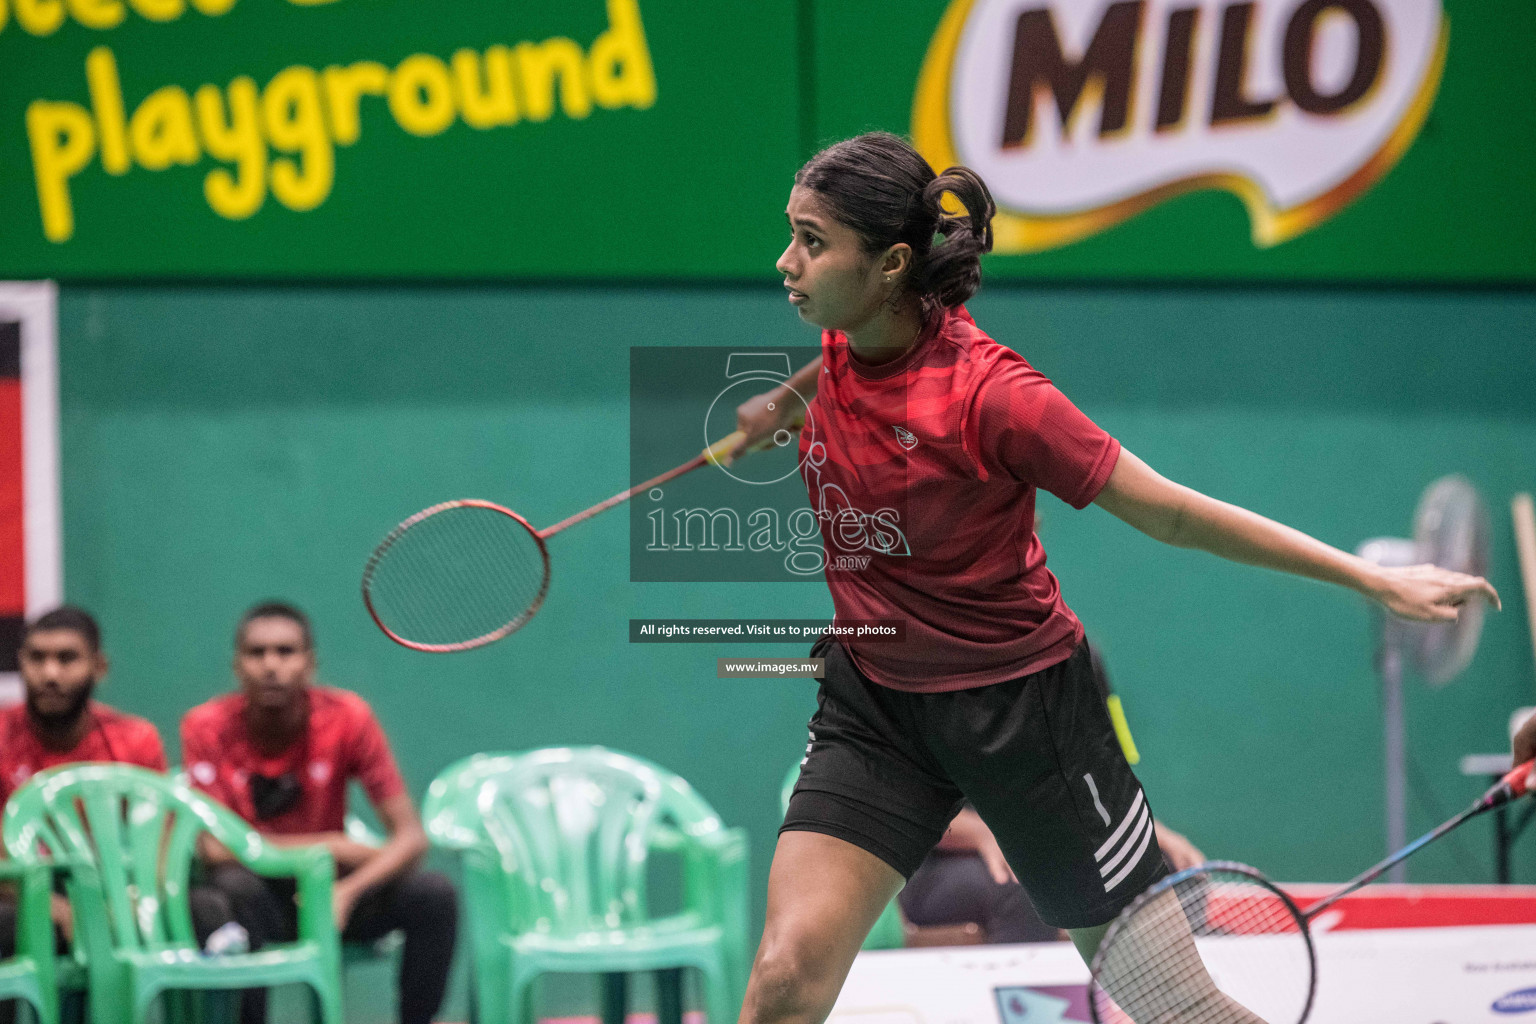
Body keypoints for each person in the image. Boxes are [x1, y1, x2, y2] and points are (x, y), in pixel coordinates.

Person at [727, 132, 1498, 1024]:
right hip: (878, 704)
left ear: (892, 263)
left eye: (812, 241)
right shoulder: (841, 332)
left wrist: (1372, 580)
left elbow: (1167, 510)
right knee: (785, 977)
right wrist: (778, 411)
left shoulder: (994, 396)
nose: (786, 261)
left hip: (1024, 718)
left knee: (1177, 1008)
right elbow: (840, 369)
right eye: (791, 234)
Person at [181, 602, 457, 1024]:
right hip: (256, 897)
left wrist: (350, 890)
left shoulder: (348, 717)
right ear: (237, 665)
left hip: (329, 898)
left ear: (310, 663)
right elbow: (215, 849)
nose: (271, 665)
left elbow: (411, 838)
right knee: (229, 889)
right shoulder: (204, 726)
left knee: (434, 895)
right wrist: (334, 845)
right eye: (257, 653)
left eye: (286, 651)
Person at [898, 643, 1205, 944]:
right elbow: (896, 805)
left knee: (1175, 876)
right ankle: (1037, 994)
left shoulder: (1078, 652)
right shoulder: (918, 660)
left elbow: (1108, 767)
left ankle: (1147, 991)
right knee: (1024, 892)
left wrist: (1152, 830)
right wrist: (982, 833)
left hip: (1048, 845)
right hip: (935, 857)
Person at [0, 606, 175, 1024]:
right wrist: (53, 906)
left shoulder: (135, 740)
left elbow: (164, 839)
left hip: (106, 885)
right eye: (37, 658)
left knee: (212, 911)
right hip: (17, 889)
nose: (50, 674)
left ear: (99, 666)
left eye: (66, 658)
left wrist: (138, 899)